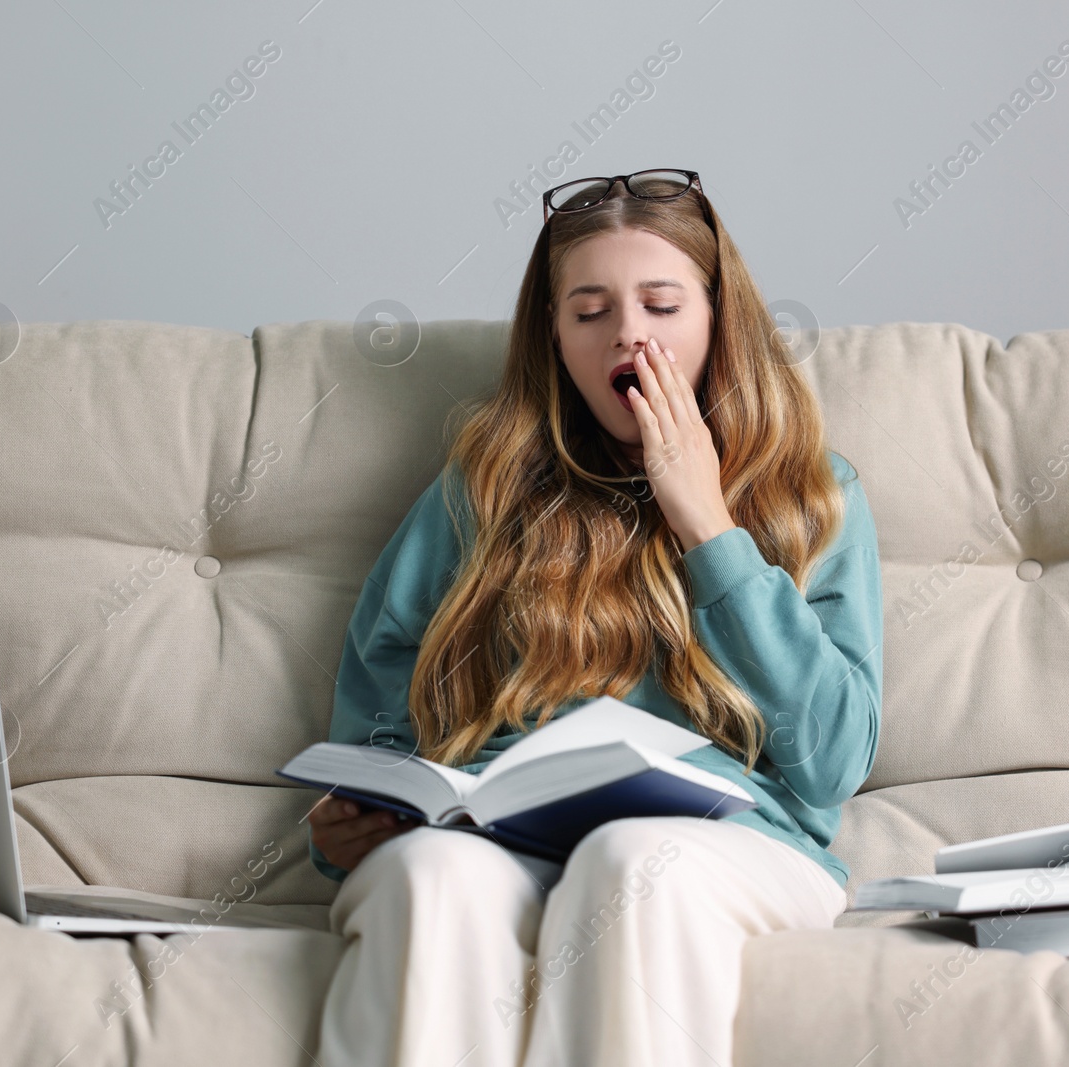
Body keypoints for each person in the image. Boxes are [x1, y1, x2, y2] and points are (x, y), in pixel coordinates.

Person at [306, 169, 882, 1067]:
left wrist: (708, 525)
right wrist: (361, 821)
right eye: (589, 312)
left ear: (718, 317)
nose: (628, 334)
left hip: (726, 848)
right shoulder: (483, 488)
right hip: (504, 841)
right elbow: (379, 707)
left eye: (661, 304)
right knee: (425, 874)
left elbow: (834, 759)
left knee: (631, 864)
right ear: (556, 339)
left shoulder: (815, 493)